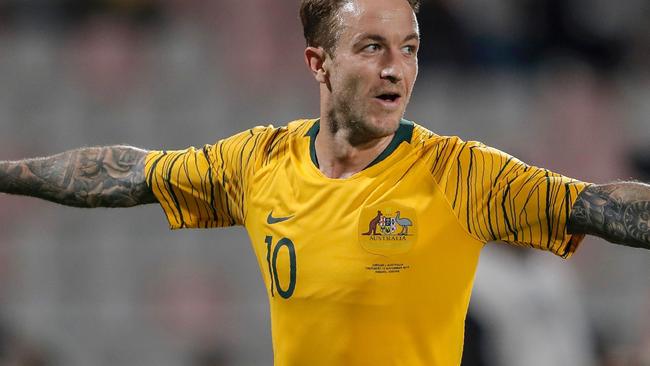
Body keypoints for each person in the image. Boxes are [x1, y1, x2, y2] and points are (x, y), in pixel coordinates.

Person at [0, 0, 648, 364]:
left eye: (411, 48)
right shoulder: (258, 163)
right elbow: (123, 173)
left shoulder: (462, 174)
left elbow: (595, 206)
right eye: (372, 47)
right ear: (319, 61)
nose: (397, 68)